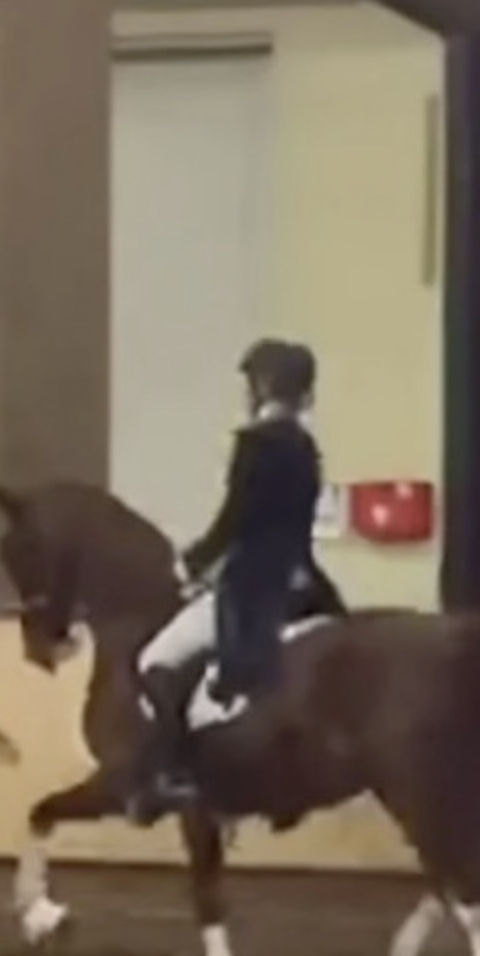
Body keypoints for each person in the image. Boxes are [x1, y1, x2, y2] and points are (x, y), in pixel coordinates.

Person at [129, 338, 344, 823]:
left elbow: (236, 521)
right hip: (305, 583)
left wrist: (192, 562)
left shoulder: (256, 444)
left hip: (253, 585)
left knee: (155, 662)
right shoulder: (306, 447)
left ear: (261, 385)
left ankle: (172, 772)